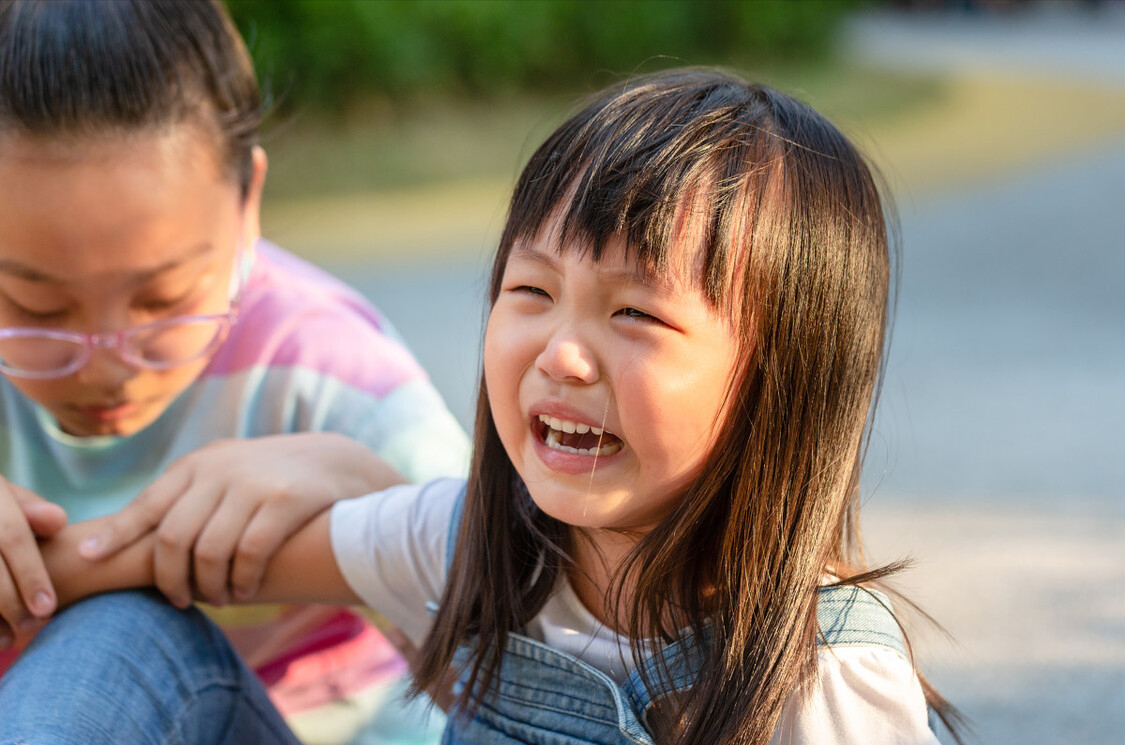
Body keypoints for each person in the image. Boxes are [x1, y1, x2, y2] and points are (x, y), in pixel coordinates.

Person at [7, 68, 962, 744]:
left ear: (780, 381)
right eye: (531, 293)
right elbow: (126, 556)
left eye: (634, 313)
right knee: (124, 631)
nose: (562, 352)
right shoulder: (470, 539)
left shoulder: (825, 680)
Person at [0, 0, 466, 742]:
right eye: (37, 307)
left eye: (163, 300)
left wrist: (373, 500)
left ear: (249, 198)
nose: (111, 364)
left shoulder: (334, 380)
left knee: (117, 633)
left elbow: (531, 673)